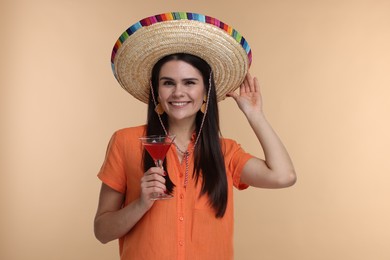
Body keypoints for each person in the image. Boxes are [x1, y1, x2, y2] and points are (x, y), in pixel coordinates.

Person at [94, 12, 296, 260]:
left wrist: (254, 115)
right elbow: (102, 231)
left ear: (205, 92)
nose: (178, 92)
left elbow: (284, 176)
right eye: (168, 83)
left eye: (189, 82)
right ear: (156, 91)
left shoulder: (226, 152)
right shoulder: (125, 142)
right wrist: (141, 204)